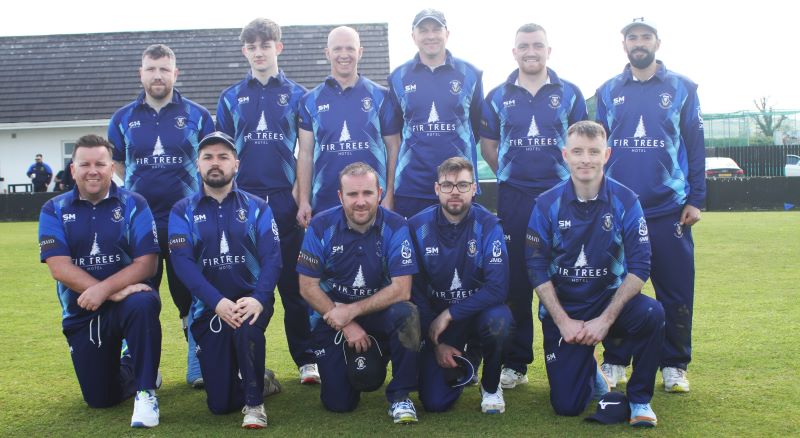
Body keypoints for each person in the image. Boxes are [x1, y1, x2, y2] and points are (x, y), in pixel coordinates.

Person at [526, 121, 664, 426]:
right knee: (567, 406)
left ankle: (640, 399)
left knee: (652, 313)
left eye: (593, 151)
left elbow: (641, 266)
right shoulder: (546, 204)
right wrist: (563, 320)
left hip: (609, 301)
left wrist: (605, 319)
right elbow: (536, 267)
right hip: (567, 310)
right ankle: (590, 369)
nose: (585, 159)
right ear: (565, 155)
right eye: (577, 152)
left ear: (607, 155)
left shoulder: (626, 201)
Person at [595, 18, 705, 393]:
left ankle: (674, 365)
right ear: (623, 44)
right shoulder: (607, 91)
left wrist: (696, 199)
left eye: (645, 37)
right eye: (632, 38)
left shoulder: (683, 88)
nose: (639, 43)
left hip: (668, 209)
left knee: (676, 291)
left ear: (657, 42)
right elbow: (598, 150)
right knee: (616, 288)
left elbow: (695, 146)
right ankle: (615, 359)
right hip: (619, 211)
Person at [480, 23, 587, 390]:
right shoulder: (497, 95)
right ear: (514, 52)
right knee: (517, 281)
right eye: (524, 45)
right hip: (514, 199)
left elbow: (582, 143)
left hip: (562, 199)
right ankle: (516, 363)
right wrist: (511, 174)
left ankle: (572, 355)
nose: (531, 51)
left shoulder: (570, 93)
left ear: (548, 51)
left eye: (537, 45)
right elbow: (489, 146)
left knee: (566, 276)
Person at [216, 17, 318, 386]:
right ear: (245, 51)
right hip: (243, 206)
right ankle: (244, 360)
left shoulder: (299, 95)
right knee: (245, 286)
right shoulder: (230, 97)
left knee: (294, 288)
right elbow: (222, 155)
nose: (259, 52)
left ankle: (307, 360)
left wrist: (300, 196)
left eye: (266, 45)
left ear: (279, 47)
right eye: (252, 47)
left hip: (285, 203)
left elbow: (307, 151)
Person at [108, 44, 215, 387]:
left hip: (186, 222)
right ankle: (144, 365)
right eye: (151, 69)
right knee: (141, 295)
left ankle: (198, 361)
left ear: (175, 73)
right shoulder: (122, 118)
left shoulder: (198, 115)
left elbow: (211, 162)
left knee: (191, 293)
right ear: (140, 73)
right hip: (140, 225)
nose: (158, 76)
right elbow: (117, 163)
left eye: (164, 69)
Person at [38, 134, 162, 428]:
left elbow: (148, 263)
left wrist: (106, 290)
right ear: (73, 170)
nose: (92, 171)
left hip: (127, 303)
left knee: (143, 301)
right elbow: (59, 267)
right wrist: (109, 292)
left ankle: (146, 391)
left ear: (112, 168)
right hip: (83, 311)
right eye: (85, 164)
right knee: (100, 399)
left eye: (100, 164)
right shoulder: (53, 208)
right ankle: (133, 364)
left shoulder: (134, 203)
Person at [168, 132, 282, 429]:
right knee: (220, 404)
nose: (215, 163)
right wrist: (217, 302)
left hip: (250, 301)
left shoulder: (258, 207)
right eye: (208, 157)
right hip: (209, 309)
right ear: (197, 164)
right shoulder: (182, 210)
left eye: (223, 157)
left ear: (236, 164)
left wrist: (259, 298)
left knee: (246, 328)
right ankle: (262, 380)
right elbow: (182, 264)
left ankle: (255, 404)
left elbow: (272, 258)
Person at [297, 162, 421, 424]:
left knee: (406, 312)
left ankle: (400, 395)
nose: (361, 202)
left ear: (379, 193)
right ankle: (364, 362)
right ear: (340, 196)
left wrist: (352, 311)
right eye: (352, 194)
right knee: (338, 404)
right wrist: (346, 323)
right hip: (332, 317)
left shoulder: (397, 225)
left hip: (378, 314)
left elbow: (402, 288)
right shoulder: (320, 225)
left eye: (367, 193)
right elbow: (307, 287)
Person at [408, 157, 512, 414]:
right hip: (438, 324)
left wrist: (450, 313)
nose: (455, 191)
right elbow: (415, 292)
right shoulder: (417, 226)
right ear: (437, 189)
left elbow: (497, 288)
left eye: (463, 185)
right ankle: (464, 358)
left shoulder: (489, 225)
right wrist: (436, 343)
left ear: (474, 188)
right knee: (435, 402)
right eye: (447, 185)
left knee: (499, 320)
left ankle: (490, 385)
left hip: (477, 315)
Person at [295, 26, 401, 221]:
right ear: (327, 53)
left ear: (360, 52)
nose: (344, 55)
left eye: (350, 48)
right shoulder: (309, 101)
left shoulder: (381, 97)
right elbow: (305, 154)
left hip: (372, 206)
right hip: (324, 205)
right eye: (337, 49)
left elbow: (394, 149)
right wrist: (304, 201)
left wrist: (389, 195)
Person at [386, 9, 484, 219]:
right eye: (423, 30)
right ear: (413, 36)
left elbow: (476, 126)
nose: (430, 36)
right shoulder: (398, 77)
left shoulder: (471, 73)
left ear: (447, 33)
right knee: (413, 241)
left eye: (436, 29)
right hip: (412, 187)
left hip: (460, 187)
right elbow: (396, 134)